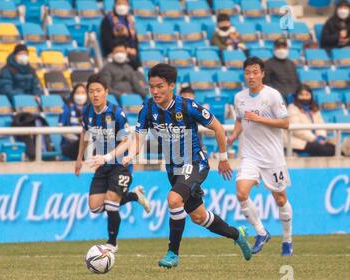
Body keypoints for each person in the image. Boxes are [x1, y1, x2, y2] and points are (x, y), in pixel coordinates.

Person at [123, 63, 252, 268]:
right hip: (173, 169)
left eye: (160, 86)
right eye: (151, 87)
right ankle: (237, 234)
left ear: (172, 85)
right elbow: (138, 138)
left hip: (195, 162)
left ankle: (173, 254)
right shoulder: (147, 108)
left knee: (174, 200)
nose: (155, 91)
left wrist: (224, 158)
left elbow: (218, 129)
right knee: (199, 217)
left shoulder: (188, 106)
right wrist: (130, 155)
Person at [75, 74, 151, 253]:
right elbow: (84, 133)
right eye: (91, 91)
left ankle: (112, 243)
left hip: (120, 165)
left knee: (111, 203)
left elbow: (126, 141)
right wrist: (79, 158)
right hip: (102, 166)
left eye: (98, 91)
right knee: (95, 207)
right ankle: (134, 195)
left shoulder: (116, 112)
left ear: (106, 92)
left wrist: (107, 157)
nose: (95, 94)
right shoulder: (87, 112)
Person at [228, 57, 294, 256]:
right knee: (241, 193)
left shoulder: (272, 95)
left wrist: (260, 119)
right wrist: (233, 136)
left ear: (262, 74)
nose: (251, 76)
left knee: (281, 199)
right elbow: (240, 119)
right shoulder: (239, 97)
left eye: (255, 72)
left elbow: (286, 123)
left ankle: (287, 240)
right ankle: (261, 232)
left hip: (273, 157)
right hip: (250, 155)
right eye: (248, 72)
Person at [286, 85, 336, 157]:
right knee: (326, 150)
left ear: (311, 96)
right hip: (300, 141)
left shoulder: (314, 108)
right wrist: (314, 139)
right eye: (301, 95)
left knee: (333, 147)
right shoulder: (292, 108)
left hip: (317, 140)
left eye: (307, 95)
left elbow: (321, 125)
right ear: (297, 96)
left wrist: (321, 137)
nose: (304, 97)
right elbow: (297, 130)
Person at [100, 0, 141, 70]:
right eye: (119, 3)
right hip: (114, 53)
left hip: (131, 55)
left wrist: (134, 50)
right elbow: (106, 40)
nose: (122, 6)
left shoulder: (130, 20)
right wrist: (125, 50)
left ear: (128, 6)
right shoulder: (107, 20)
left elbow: (135, 40)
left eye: (124, 3)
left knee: (137, 63)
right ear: (114, 5)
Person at [59, 84, 88, 160]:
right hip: (69, 145)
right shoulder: (66, 107)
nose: (80, 95)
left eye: (83, 93)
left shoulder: (90, 108)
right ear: (73, 94)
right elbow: (61, 129)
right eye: (78, 93)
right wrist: (78, 139)